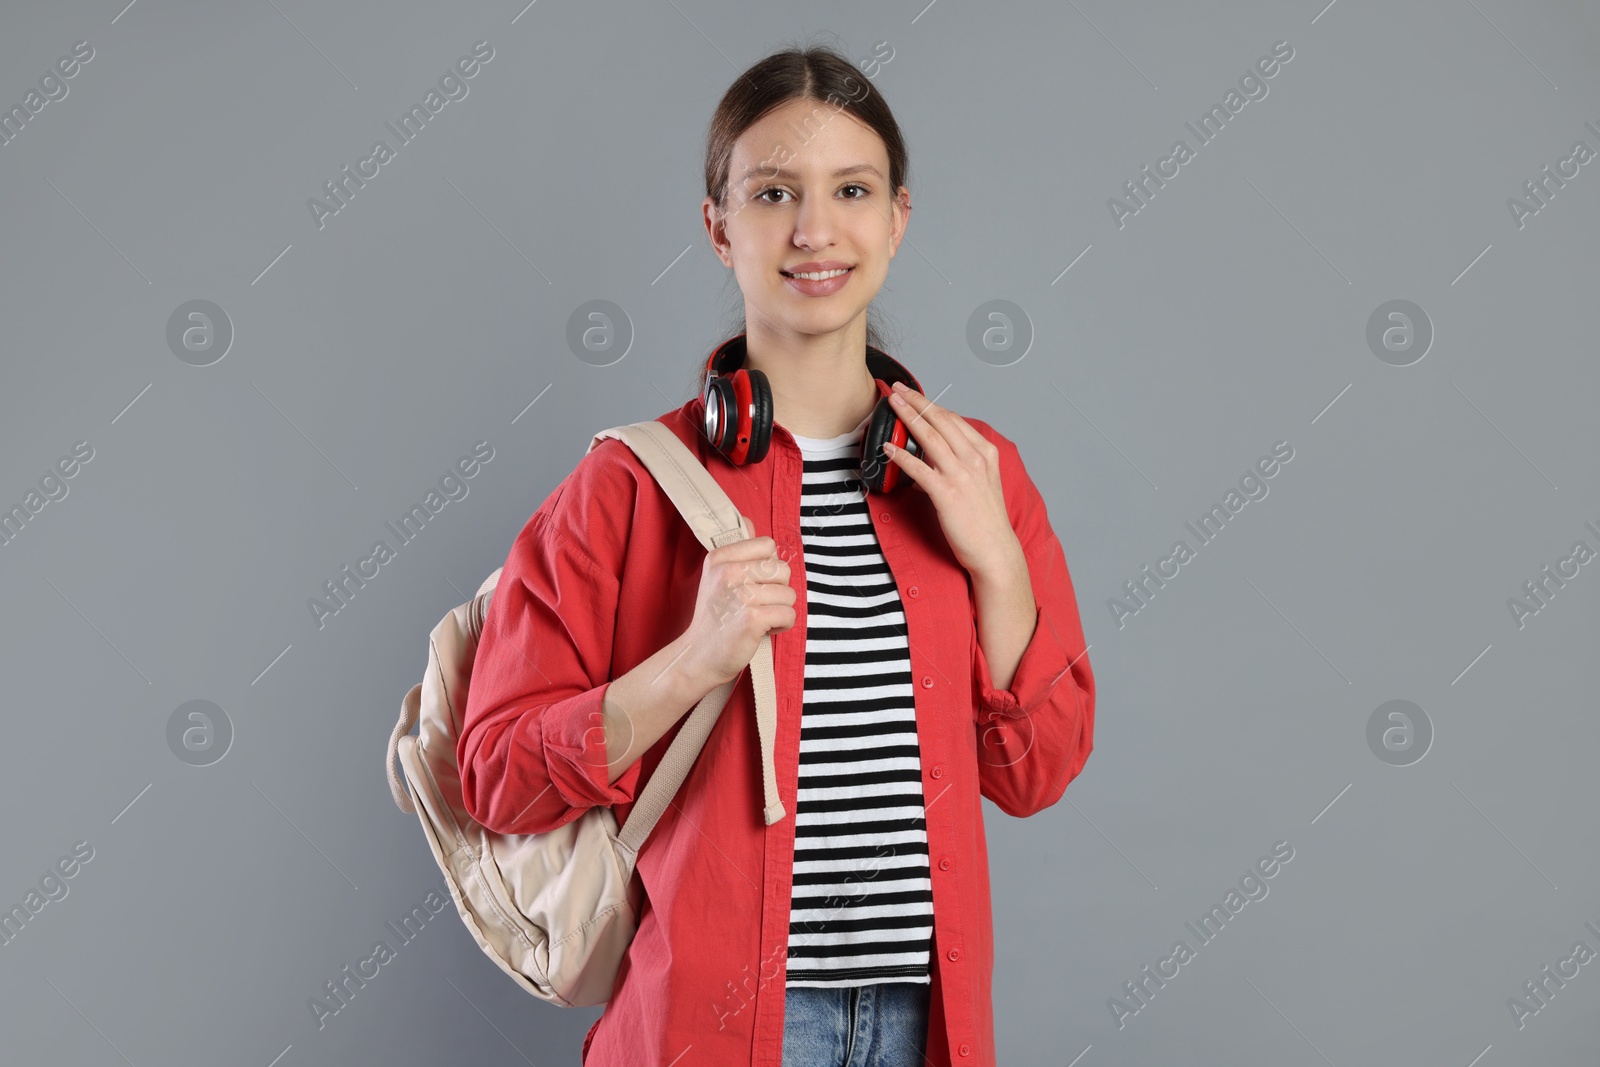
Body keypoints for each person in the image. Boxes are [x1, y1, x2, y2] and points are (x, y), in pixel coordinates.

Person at [457, 43, 1095, 1067]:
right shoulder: (626, 488)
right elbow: (493, 776)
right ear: (718, 227)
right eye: (771, 194)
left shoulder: (977, 474)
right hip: (711, 1025)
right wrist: (688, 663)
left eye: (850, 189)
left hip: (922, 1024)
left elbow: (1036, 772)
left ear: (896, 219)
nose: (813, 229)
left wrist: (998, 568)